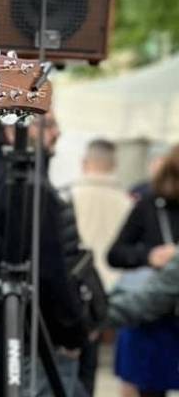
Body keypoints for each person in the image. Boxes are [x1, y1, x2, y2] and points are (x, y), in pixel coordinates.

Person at [0, 113, 87, 397]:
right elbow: (51, 271)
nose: (57, 133)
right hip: (34, 341)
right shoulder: (32, 188)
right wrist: (72, 332)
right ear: (14, 132)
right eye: (49, 124)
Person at [107, 143, 179, 397]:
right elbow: (115, 254)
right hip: (149, 316)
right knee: (146, 387)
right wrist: (150, 256)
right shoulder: (149, 204)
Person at [62, 139, 132, 397]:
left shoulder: (67, 196)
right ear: (113, 164)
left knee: (75, 368)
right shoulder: (127, 201)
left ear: (84, 162)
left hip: (80, 293)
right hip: (116, 289)